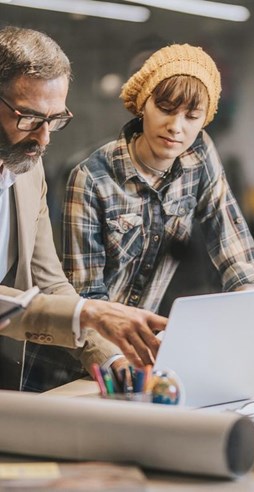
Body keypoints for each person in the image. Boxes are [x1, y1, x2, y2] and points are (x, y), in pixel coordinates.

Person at [63, 43, 254, 374]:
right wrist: (114, 361)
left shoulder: (199, 154)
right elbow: (85, 297)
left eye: (191, 116)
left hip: (136, 358)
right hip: (80, 359)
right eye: (165, 108)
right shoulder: (91, 177)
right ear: (142, 104)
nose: (177, 127)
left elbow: (234, 254)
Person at [0, 26, 167, 391]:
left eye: (55, 120)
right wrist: (88, 312)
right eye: (28, 118)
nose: (44, 138)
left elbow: (49, 282)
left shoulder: (26, 170)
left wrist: (112, 357)